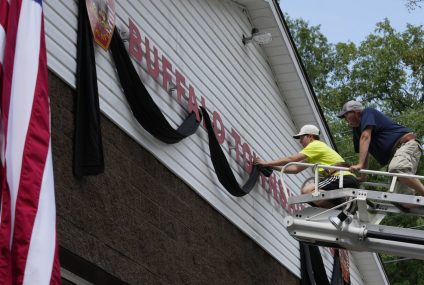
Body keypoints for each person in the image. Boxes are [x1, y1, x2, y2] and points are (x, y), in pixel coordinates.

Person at [254, 124, 359, 208]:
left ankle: (339, 208)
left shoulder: (315, 144)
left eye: (301, 137)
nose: (300, 141)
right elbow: (294, 169)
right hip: (342, 178)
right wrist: (272, 167)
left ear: (310, 136)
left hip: (342, 177)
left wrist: (267, 163)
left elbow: (291, 159)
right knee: (311, 196)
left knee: (307, 191)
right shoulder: (313, 154)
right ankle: (339, 207)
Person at [338, 100, 424, 196]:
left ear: (356, 112)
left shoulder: (367, 112)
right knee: (402, 199)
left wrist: (360, 164)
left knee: (397, 168)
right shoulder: (357, 130)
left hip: (406, 145)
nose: (345, 119)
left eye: (346, 115)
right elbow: (365, 152)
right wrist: (363, 176)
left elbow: (365, 136)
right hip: (395, 157)